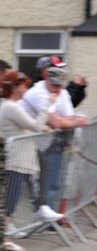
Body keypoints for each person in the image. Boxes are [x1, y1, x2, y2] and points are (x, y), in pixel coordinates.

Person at [0, 71, 57, 251]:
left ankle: (40, 208)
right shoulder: (10, 107)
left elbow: (28, 126)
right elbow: (35, 125)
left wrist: (39, 128)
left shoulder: (11, 105)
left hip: (22, 158)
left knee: (29, 189)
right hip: (17, 159)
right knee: (11, 199)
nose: (26, 88)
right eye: (23, 85)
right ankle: (6, 237)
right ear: (14, 87)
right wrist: (47, 104)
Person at [20, 61, 88, 218]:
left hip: (40, 143)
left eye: (59, 86)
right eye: (54, 85)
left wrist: (66, 121)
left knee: (44, 177)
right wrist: (71, 122)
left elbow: (67, 116)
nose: (57, 89)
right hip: (24, 141)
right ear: (46, 79)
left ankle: (41, 209)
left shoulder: (62, 92)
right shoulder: (38, 92)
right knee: (17, 184)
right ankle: (22, 218)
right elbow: (56, 122)